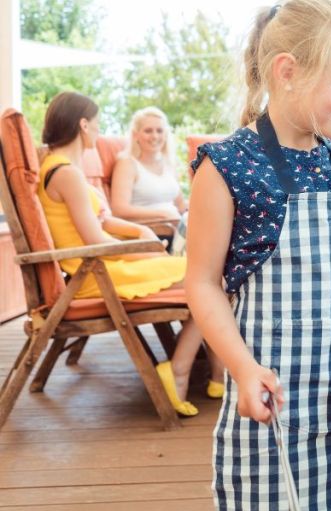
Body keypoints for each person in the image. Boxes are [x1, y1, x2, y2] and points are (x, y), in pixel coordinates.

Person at [184, 1, 331, 511]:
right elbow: (202, 283)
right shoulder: (227, 166)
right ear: (288, 71)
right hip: (271, 395)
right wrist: (239, 367)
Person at [37, 91, 220, 418]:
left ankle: (204, 371)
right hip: (96, 275)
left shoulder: (62, 168)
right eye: (95, 123)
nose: (98, 129)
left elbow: (100, 222)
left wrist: (140, 234)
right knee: (210, 282)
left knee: (207, 277)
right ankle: (180, 370)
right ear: (82, 125)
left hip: (98, 267)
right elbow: (95, 241)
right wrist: (142, 254)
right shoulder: (66, 173)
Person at [109, 107, 187, 222]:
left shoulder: (169, 163)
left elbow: (181, 205)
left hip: (176, 226)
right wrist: (162, 214)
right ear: (136, 135)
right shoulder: (127, 163)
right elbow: (119, 209)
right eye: (148, 131)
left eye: (159, 131)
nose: (155, 136)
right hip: (153, 231)